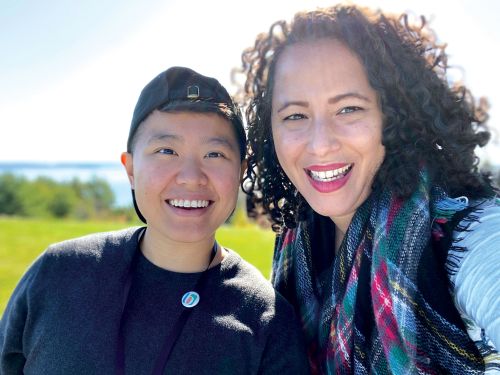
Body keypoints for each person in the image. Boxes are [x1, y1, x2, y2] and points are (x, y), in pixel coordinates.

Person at [239, 4, 500, 374]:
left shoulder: (472, 237)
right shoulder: (297, 248)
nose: (320, 144)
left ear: (392, 116)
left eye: (348, 109)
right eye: (295, 115)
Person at [0, 66, 310, 374]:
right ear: (130, 168)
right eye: (166, 150)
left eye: (214, 154)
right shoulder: (58, 273)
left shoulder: (265, 319)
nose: (191, 178)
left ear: (241, 170)